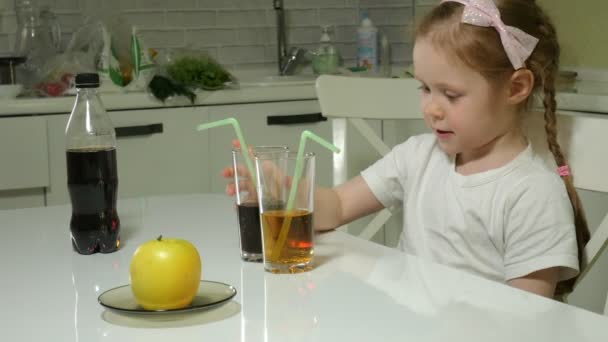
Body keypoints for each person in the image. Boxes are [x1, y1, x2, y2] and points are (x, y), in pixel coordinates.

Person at [222, 0, 589, 299]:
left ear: (515, 88)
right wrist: (282, 191)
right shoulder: (418, 156)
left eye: (451, 94)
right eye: (425, 88)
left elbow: (530, 323)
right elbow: (336, 207)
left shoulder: (532, 193)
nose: (431, 108)